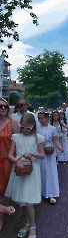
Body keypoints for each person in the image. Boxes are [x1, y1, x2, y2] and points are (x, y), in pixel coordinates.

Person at [5, 113, 45, 238]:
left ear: (33, 126)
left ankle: (32, 225)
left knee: (29, 201)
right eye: (23, 127)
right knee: (22, 200)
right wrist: (17, 161)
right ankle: (27, 223)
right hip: (19, 170)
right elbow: (10, 155)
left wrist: (33, 154)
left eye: (28, 128)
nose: (25, 130)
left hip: (32, 171)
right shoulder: (16, 137)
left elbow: (42, 155)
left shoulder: (38, 138)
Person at [0, 98, 19, 231]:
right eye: (0, 106)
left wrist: (18, 161)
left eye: (5, 107)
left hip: (7, 162)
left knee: (3, 192)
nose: (3, 108)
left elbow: (19, 143)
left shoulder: (13, 123)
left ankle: (0, 218)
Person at [37, 111, 64, 204]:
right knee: (42, 171)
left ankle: (52, 193)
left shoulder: (52, 129)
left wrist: (60, 147)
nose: (40, 120)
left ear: (47, 118)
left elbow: (55, 140)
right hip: (40, 151)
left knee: (51, 171)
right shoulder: (37, 128)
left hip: (50, 152)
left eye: (42, 118)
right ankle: (41, 192)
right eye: (39, 118)